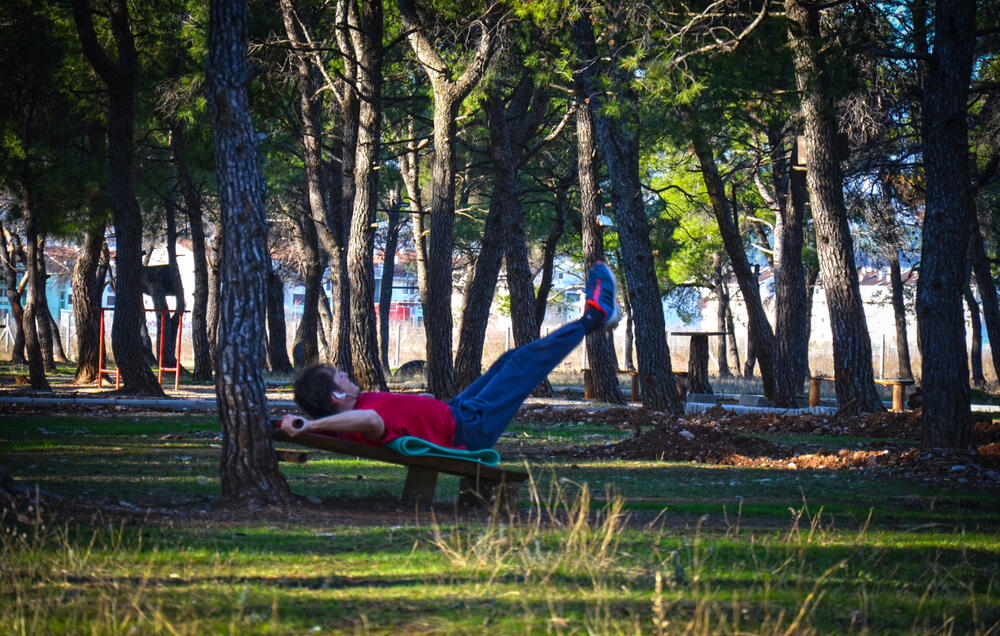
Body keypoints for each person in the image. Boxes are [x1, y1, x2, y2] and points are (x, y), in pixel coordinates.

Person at [279, 261, 621, 450]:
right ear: (336, 396)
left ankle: (595, 316)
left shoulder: (353, 410)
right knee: (521, 366)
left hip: (454, 412)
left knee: (508, 361)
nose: (347, 376)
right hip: (465, 428)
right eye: (341, 378)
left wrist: (302, 425)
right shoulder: (358, 421)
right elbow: (370, 422)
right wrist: (311, 424)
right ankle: (593, 317)